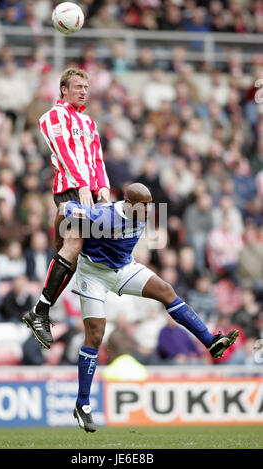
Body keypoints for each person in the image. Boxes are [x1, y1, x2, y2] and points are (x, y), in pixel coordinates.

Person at [55, 182, 239, 432]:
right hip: (94, 274)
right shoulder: (102, 215)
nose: (148, 210)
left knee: (166, 290)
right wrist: (62, 248)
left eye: (150, 205)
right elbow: (63, 209)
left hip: (124, 268)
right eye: (144, 206)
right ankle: (83, 404)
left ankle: (211, 342)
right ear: (129, 204)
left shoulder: (145, 212)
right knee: (96, 334)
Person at [23, 68, 110, 349]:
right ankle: (41, 311)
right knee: (72, 247)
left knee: (78, 256)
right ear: (63, 89)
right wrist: (84, 185)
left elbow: (97, 158)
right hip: (70, 191)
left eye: (86, 86)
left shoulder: (89, 123)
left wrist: (103, 188)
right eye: (77, 86)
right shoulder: (52, 117)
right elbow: (62, 150)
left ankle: (42, 310)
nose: (83, 90)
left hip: (91, 194)